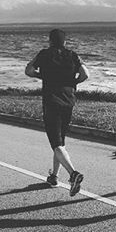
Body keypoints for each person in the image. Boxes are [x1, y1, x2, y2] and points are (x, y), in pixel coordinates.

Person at [25, 29, 89, 196]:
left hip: (51, 101)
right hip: (68, 100)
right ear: (65, 42)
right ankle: (54, 177)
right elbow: (85, 74)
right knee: (60, 141)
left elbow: (29, 70)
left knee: (56, 143)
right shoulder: (72, 54)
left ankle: (73, 174)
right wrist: (73, 81)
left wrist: (42, 76)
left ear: (50, 41)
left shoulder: (44, 54)